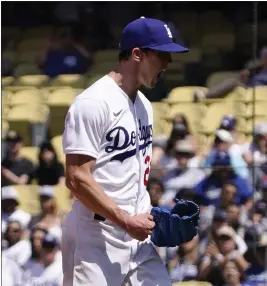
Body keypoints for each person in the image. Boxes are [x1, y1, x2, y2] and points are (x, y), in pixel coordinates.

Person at [62, 17, 190, 286]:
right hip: (95, 237)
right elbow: (76, 178)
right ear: (137, 54)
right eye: (163, 54)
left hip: (135, 238)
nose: (168, 63)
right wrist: (126, 220)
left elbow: (131, 175)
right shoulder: (92, 103)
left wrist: (153, 215)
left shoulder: (144, 105)